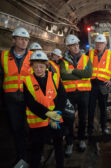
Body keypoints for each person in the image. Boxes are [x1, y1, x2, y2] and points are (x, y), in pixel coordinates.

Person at [23, 50, 66, 168]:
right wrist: (48, 113)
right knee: (36, 148)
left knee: (58, 145)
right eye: (36, 67)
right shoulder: (27, 81)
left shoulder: (55, 78)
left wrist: (56, 113)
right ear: (32, 67)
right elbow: (30, 103)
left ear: (46, 66)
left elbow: (62, 96)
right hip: (38, 121)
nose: (38, 69)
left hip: (55, 118)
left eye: (41, 66)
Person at [0, 27, 32, 163]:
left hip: (29, 98)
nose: (24, 42)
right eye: (20, 39)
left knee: (31, 127)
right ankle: (21, 157)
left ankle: (33, 154)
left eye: (26, 39)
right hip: (11, 99)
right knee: (17, 129)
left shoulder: (33, 56)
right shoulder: (3, 56)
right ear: (13, 40)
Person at [60, 34, 92, 156]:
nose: (75, 47)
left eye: (77, 44)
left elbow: (88, 73)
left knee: (83, 118)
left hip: (84, 93)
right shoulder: (63, 61)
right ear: (68, 47)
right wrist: (80, 73)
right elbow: (63, 75)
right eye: (72, 45)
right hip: (70, 94)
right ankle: (69, 143)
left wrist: (72, 70)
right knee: (69, 119)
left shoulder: (86, 58)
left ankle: (81, 139)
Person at [88, 34, 111, 135]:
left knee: (103, 107)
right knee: (91, 108)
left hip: (104, 85)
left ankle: (104, 127)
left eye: (101, 43)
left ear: (105, 44)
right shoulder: (89, 54)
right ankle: (90, 128)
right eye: (97, 43)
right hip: (92, 85)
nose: (98, 45)